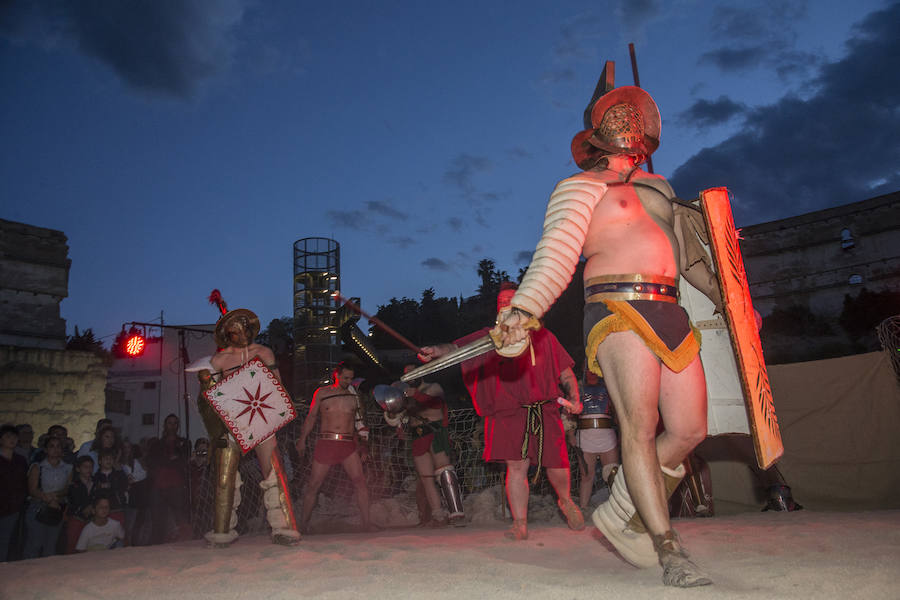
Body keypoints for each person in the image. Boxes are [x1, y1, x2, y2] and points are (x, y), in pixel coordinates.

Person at [496, 85, 721, 586]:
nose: (630, 123)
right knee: (638, 427)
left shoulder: (663, 189)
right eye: (619, 116)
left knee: (689, 430)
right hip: (614, 305)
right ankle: (669, 550)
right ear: (595, 137)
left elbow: (692, 261)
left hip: (670, 308)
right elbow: (554, 254)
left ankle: (622, 507)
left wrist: (734, 302)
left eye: (636, 117)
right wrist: (525, 310)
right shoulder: (577, 187)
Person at [418, 283, 584, 541]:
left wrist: (574, 398)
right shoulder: (488, 338)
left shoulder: (543, 336)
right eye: (500, 302)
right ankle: (520, 523)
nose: (504, 305)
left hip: (544, 409)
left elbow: (565, 372)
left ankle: (565, 500)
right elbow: (457, 348)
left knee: (557, 464)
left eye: (510, 300)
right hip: (508, 412)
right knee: (516, 467)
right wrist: (436, 351)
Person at [203, 307, 300, 546]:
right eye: (235, 327)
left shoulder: (264, 353)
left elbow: (277, 386)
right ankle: (222, 532)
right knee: (225, 476)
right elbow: (213, 397)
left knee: (274, 471)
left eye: (244, 325)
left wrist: (278, 415)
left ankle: (283, 528)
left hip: (260, 418)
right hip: (232, 421)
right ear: (228, 333)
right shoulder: (218, 360)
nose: (241, 330)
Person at [295, 362, 374, 533]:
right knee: (314, 485)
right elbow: (311, 417)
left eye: (351, 378)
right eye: (345, 377)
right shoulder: (322, 393)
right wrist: (302, 439)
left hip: (347, 445)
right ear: (336, 375)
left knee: (360, 482)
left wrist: (364, 446)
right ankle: (303, 525)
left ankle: (367, 524)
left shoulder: (355, 397)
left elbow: (361, 423)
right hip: (327, 443)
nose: (348, 381)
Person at [383, 366, 466, 527]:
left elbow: (433, 401)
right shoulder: (404, 396)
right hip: (417, 436)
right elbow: (395, 419)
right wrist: (391, 411)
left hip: (435, 434)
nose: (410, 376)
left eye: (413, 372)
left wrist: (416, 395)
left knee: (444, 471)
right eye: (407, 374)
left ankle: (456, 513)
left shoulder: (433, 387)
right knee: (426, 478)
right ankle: (438, 515)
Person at [570, 371, 620, 510]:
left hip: (607, 436)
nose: (591, 373)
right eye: (588, 370)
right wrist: (570, 434)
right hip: (585, 437)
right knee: (586, 476)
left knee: (612, 475)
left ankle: (618, 510)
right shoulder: (577, 389)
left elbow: (618, 412)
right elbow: (567, 413)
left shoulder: (610, 387)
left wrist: (623, 433)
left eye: (594, 369)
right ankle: (584, 509)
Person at [23, 436, 73, 558]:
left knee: (50, 544)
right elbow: (32, 490)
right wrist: (47, 498)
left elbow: (68, 488)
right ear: (45, 449)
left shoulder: (68, 468)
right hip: (38, 507)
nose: (55, 449)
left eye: (58, 446)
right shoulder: (38, 467)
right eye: (52, 446)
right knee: (35, 543)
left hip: (56, 507)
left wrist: (54, 497)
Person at [146, 414, 190, 545]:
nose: (173, 425)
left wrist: (167, 461)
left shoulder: (184, 443)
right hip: (159, 485)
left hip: (177, 485)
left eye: (175, 423)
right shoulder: (156, 444)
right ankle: (156, 547)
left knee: (180, 518)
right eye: (170, 422)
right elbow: (153, 462)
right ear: (165, 425)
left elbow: (182, 462)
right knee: (158, 519)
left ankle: (184, 545)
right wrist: (171, 460)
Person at [1, 424, 29, 561]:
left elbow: (23, 482)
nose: (12, 439)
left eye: (14, 437)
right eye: (7, 436)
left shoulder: (21, 460)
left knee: (7, 540)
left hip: (14, 507)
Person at [65, 455, 95, 553]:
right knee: (73, 546)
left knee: (89, 547)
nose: (89, 470)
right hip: (76, 519)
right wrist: (83, 508)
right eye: (85, 467)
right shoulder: (74, 484)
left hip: (91, 519)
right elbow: (73, 501)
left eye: (91, 467)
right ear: (78, 469)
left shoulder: (96, 483)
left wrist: (92, 506)